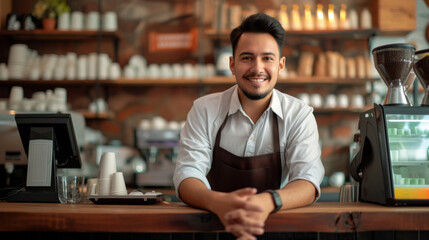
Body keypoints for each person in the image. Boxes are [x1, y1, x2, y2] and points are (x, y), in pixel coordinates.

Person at [173, 13, 324, 240]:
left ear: (280, 65)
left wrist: (266, 202)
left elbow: (308, 180)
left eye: (267, 58)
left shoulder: (299, 115)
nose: (257, 68)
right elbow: (187, 174)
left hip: (276, 228)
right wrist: (220, 203)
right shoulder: (204, 110)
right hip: (213, 229)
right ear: (232, 65)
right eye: (246, 58)